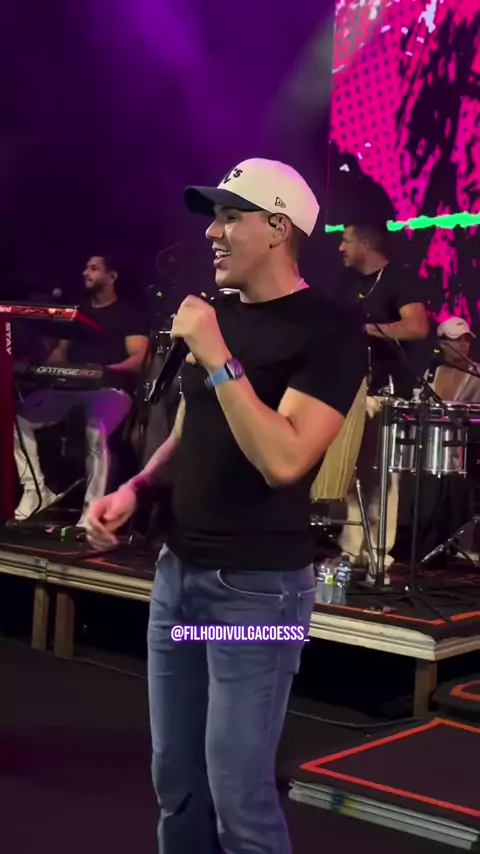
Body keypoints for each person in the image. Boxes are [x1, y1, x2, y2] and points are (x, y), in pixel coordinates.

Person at [85, 158, 367, 854]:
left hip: (256, 593)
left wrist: (217, 357)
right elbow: (192, 431)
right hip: (178, 581)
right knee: (177, 780)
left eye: (230, 217)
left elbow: (286, 459)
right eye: (213, 218)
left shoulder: (329, 329)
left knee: (237, 793)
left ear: (278, 228)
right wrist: (136, 487)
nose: (212, 232)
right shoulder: (223, 316)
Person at [14, 255, 149, 525]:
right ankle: (36, 490)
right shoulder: (78, 310)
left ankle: (91, 512)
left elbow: (140, 359)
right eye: (86, 268)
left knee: (94, 429)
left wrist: (105, 369)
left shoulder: (127, 314)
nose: (85, 272)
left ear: (112, 277)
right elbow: (60, 356)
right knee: (16, 417)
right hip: (72, 387)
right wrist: (37, 367)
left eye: (94, 268)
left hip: (110, 390)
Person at [337, 219, 429, 585]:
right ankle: (350, 550)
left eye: (346, 241)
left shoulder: (399, 279)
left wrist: (369, 329)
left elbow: (417, 326)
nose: (340, 248)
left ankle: (378, 554)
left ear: (365, 243)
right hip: (354, 389)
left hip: (389, 392)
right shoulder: (347, 284)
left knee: (383, 475)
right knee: (351, 473)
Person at [419, 316, 480, 558]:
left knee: (460, 496)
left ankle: (459, 547)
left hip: (466, 447)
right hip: (433, 445)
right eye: (457, 340)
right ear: (442, 343)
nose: (463, 345)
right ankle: (428, 546)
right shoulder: (431, 372)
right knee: (429, 495)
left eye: (466, 340)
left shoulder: (476, 372)